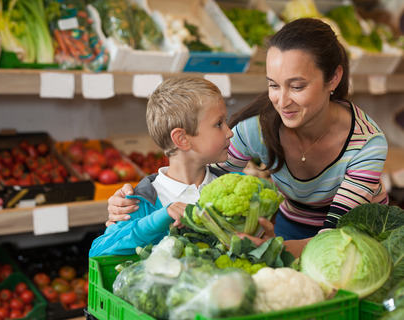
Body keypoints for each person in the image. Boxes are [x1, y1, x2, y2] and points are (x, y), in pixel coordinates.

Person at [105, 18, 389, 258]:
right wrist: (137, 202)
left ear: (333, 79)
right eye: (274, 85)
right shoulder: (259, 129)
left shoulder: (366, 144)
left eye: (297, 86)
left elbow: (334, 239)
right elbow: (204, 180)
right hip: (288, 229)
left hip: (354, 239)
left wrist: (266, 250)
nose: (282, 101)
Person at [89, 76, 234, 257]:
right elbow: (98, 252)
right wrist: (158, 220)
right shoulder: (139, 202)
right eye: (219, 124)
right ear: (182, 139)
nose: (229, 132)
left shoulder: (232, 188)